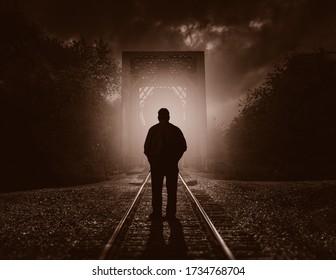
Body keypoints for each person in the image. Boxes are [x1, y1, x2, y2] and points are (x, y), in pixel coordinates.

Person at [144, 108, 187, 220]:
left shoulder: (152, 130)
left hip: (157, 165)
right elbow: (183, 147)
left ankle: (157, 213)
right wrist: (176, 159)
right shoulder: (176, 130)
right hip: (171, 164)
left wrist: (152, 161)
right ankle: (170, 214)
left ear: (158, 117)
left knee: (156, 190)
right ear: (169, 117)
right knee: (172, 190)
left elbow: (146, 149)